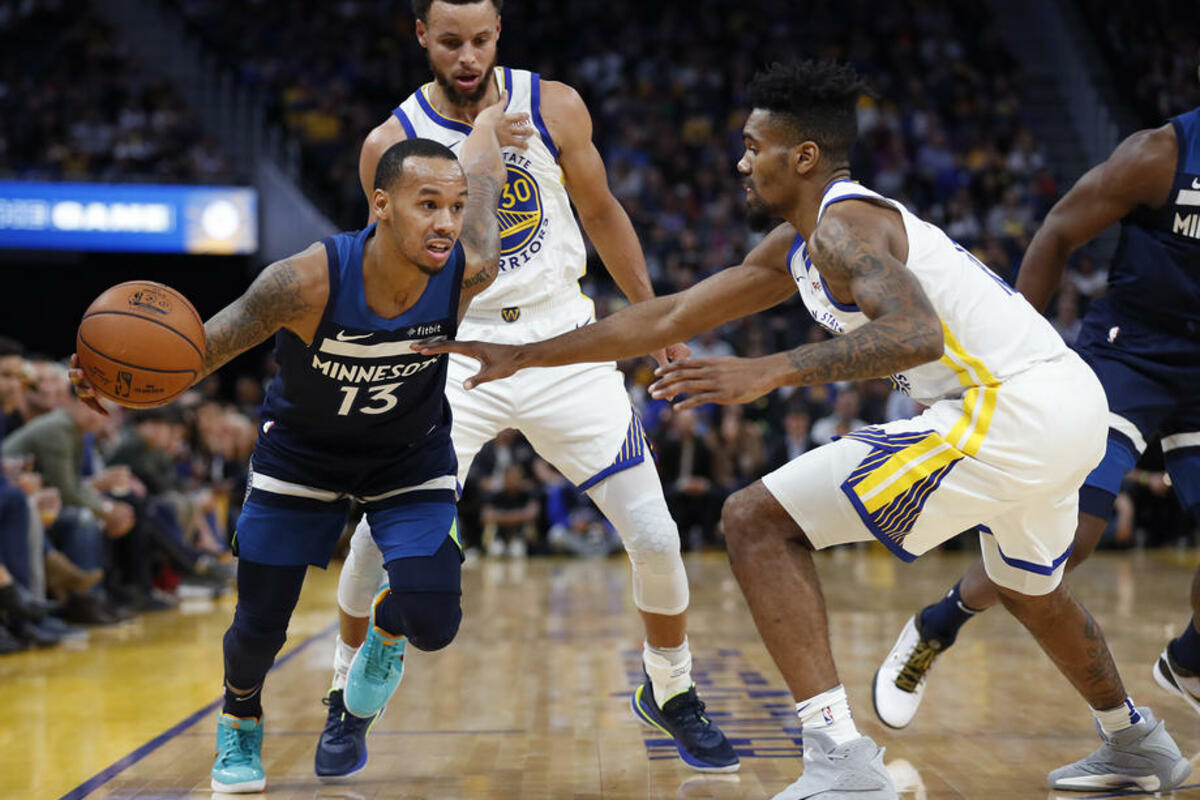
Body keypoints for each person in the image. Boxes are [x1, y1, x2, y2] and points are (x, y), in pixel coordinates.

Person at [416, 60, 1193, 798]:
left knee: (754, 521)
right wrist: (524, 355)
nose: (741, 163)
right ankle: (1135, 739)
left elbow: (916, 334)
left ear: (804, 156)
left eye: (754, 147)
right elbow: (671, 315)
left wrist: (768, 370)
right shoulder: (799, 243)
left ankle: (839, 758)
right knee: (1030, 587)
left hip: (1012, 408)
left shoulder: (842, 229)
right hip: (1066, 404)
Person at [316, 0, 737, 779]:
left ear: (498, 33)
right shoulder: (390, 143)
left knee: (654, 534)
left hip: (564, 340)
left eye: (480, 39)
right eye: (450, 41)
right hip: (455, 347)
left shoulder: (555, 105)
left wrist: (653, 318)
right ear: (421, 37)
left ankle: (671, 688)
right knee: (376, 537)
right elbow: (390, 272)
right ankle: (345, 695)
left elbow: (601, 212)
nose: (467, 56)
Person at [72, 98, 517, 793]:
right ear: (381, 205)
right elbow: (200, 351)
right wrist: (113, 379)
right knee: (259, 625)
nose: (446, 223)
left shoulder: (468, 269)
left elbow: (484, 189)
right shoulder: (303, 281)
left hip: (408, 455)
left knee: (433, 620)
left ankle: (384, 632)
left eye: (453, 208)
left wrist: (485, 130)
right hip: (302, 457)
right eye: (428, 204)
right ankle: (240, 717)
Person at [872, 89, 1200, 747]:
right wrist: (1006, 354)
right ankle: (939, 623)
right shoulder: (1161, 154)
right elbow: (1057, 231)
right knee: (1072, 539)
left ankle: (1188, 661)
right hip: (1129, 355)